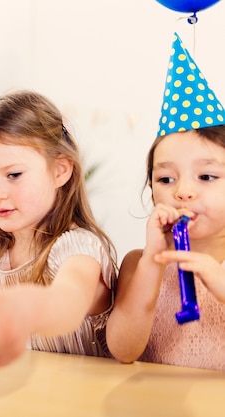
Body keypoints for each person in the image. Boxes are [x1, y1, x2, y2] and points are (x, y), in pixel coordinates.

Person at [0, 89, 117, 367]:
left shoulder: (79, 248)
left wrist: (27, 306)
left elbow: (68, 304)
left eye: (13, 175)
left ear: (60, 170)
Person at [106, 33, 225, 371]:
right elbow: (123, 350)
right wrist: (152, 264)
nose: (183, 191)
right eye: (166, 179)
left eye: (206, 176)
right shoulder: (137, 264)